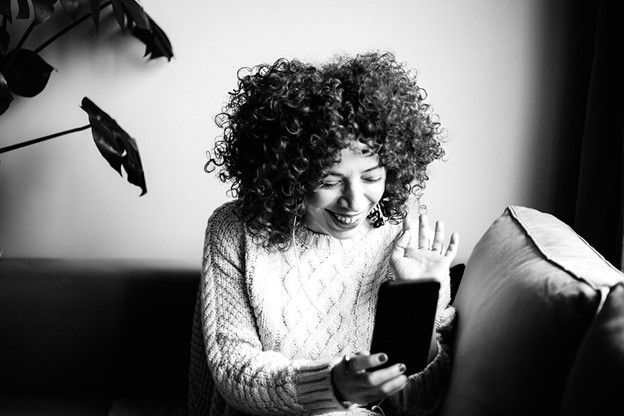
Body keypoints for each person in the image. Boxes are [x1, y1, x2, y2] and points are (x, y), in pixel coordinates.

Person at [188, 52, 459, 416]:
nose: (353, 201)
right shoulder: (235, 229)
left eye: (371, 178)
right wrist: (333, 385)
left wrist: (421, 305)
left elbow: (413, 407)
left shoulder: (404, 239)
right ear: (288, 175)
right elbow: (234, 369)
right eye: (328, 181)